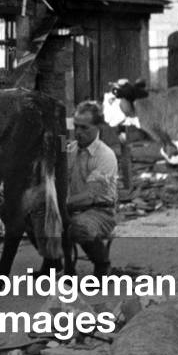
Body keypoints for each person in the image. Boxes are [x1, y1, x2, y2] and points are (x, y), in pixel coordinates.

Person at [66, 101, 119, 276]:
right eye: (75, 127)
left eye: (84, 128)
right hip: (72, 207)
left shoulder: (105, 155)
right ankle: (54, 264)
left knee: (78, 226)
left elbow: (90, 196)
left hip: (100, 211)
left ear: (98, 127)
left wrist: (62, 205)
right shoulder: (70, 149)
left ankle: (103, 265)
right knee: (32, 219)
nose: (78, 132)